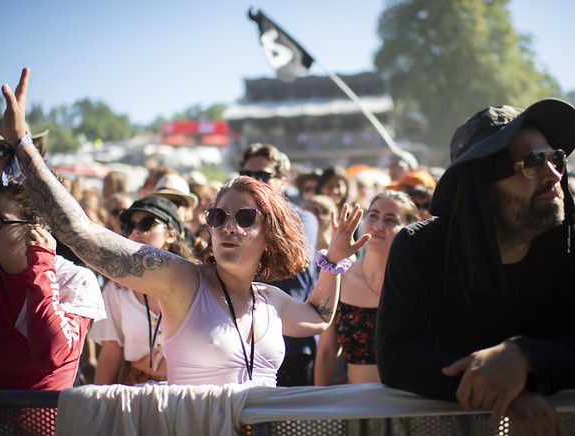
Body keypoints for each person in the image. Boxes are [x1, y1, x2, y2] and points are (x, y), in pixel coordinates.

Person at [0, 67, 370, 387]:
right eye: (218, 216)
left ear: (270, 233)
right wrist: (23, 146)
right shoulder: (180, 281)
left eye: (244, 218)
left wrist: (333, 262)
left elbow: (319, 317)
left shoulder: (269, 300)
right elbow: (83, 233)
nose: (228, 227)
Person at [376, 99, 575, 433]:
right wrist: (503, 390)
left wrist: (525, 357)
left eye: (554, 158)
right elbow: (398, 355)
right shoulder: (419, 247)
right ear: (482, 185)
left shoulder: (571, 244)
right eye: (531, 163)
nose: (553, 174)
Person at [0, 175, 105, 389]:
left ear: (33, 228)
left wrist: (42, 263)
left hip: (47, 420)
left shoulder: (75, 280)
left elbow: (52, 354)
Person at [314, 191, 419, 385]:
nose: (378, 226)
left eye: (390, 220)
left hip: (408, 402)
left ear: (408, 227)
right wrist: (319, 406)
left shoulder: (418, 283)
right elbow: (327, 352)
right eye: (373, 216)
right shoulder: (340, 279)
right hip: (357, 405)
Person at [90, 196, 195, 385]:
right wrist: (97, 411)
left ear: (171, 235)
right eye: (130, 227)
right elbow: (109, 357)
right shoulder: (116, 289)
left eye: (147, 224)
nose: (136, 231)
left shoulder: (197, 284)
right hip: (136, 390)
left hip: (188, 390)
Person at [239, 143, 320, 386]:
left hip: (295, 342)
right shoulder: (234, 219)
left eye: (263, 175)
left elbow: (287, 261)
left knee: (295, 422)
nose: (254, 181)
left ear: (283, 182)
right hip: (249, 343)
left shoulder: (303, 218)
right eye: (247, 175)